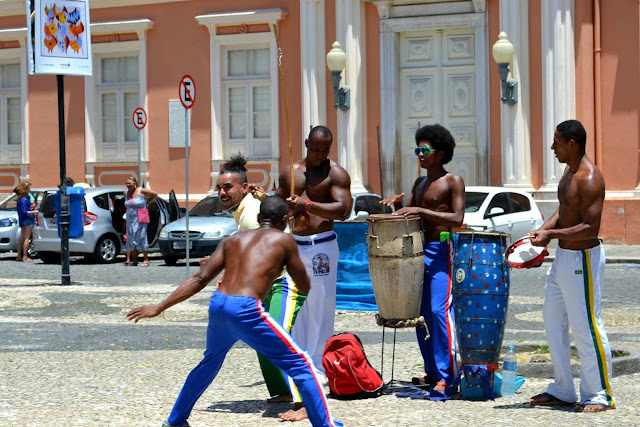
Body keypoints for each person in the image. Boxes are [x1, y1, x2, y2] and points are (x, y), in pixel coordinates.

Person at [127, 197, 343, 427]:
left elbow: (200, 278)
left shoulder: (233, 240)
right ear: (285, 220)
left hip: (219, 304)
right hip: (246, 309)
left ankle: (175, 421)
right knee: (302, 364)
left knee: (209, 363)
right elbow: (302, 283)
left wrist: (159, 307)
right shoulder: (284, 241)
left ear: (260, 218)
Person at [529, 120, 614, 412]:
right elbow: (564, 211)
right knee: (553, 321)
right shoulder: (568, 172)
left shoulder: (590, 178)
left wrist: (551, 234)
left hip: (583, 259)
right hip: (563, 258)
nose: (553, 147)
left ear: (572, 144)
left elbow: (590, 228)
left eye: (557, 142)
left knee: (586, 325)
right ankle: (563, 388)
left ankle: (599, 393)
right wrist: (544, 229)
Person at [381, 123, 465, 400]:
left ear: (439, 154)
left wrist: (418, 208)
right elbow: (412, 217)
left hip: (441, 250)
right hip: (417, 253)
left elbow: (457, 219)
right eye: (417, 149)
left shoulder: (453, 181)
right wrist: (396, 207)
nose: (419, 154)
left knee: (439, 312)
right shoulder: (419, 183)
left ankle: (446, 375)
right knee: (422, 317)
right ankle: (432, 371)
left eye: (425, 149)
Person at [215, 154, 307, 404]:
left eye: (228, 187)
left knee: (278, 338)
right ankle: (282, 391)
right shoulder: (242, 209)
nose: (222, 192)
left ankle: (304, 402)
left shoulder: (250, 213)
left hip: (284, 283)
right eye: (220, 188)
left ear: (244, 188)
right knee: (261, 337)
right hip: (265, 285)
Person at [275, 125, 352, 421]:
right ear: (306, 143)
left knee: (320, 308)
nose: (320, 154)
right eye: (315, 148)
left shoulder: (337, 174)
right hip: (294, 244)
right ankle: (298, 381)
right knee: (295, 308)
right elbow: (276, 204)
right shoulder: (290, 172)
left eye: (325, 150)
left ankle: (317, 384)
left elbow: (343, 210)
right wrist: (284, 207)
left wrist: (306, 204)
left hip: (321, 246)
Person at [124, 176, 157, 266]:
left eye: (129, 183)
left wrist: (147, 203)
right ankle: (135, 260)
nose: (128, 185)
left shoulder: (141, 191)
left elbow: (155, 194)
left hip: (140, 218)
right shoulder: (126, 193)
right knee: (132, 238)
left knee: (142, 236)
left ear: (135, 183)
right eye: (126, 183)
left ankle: (146, 259)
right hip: (130, 219)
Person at [15, 181, 38, 262]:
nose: (29, 189)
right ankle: (25, 256)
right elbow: (25, 211)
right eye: (28, 188)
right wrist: (34, 212)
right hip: (28, 219)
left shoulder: (20, 199)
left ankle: (19, 255)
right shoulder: (24, 199)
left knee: (22, 237)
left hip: (22, 219)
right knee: (26, 238)